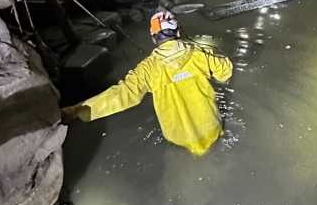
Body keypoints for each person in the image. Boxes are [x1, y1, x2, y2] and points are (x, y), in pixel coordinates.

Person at [62, 11, 233, 156]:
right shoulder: (201, 54)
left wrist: (77, 110)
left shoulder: (147, 69)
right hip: (211, 128)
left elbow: (120, 95)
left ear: (153, 38)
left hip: (179, 139)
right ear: (179, 32)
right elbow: (225, 72)